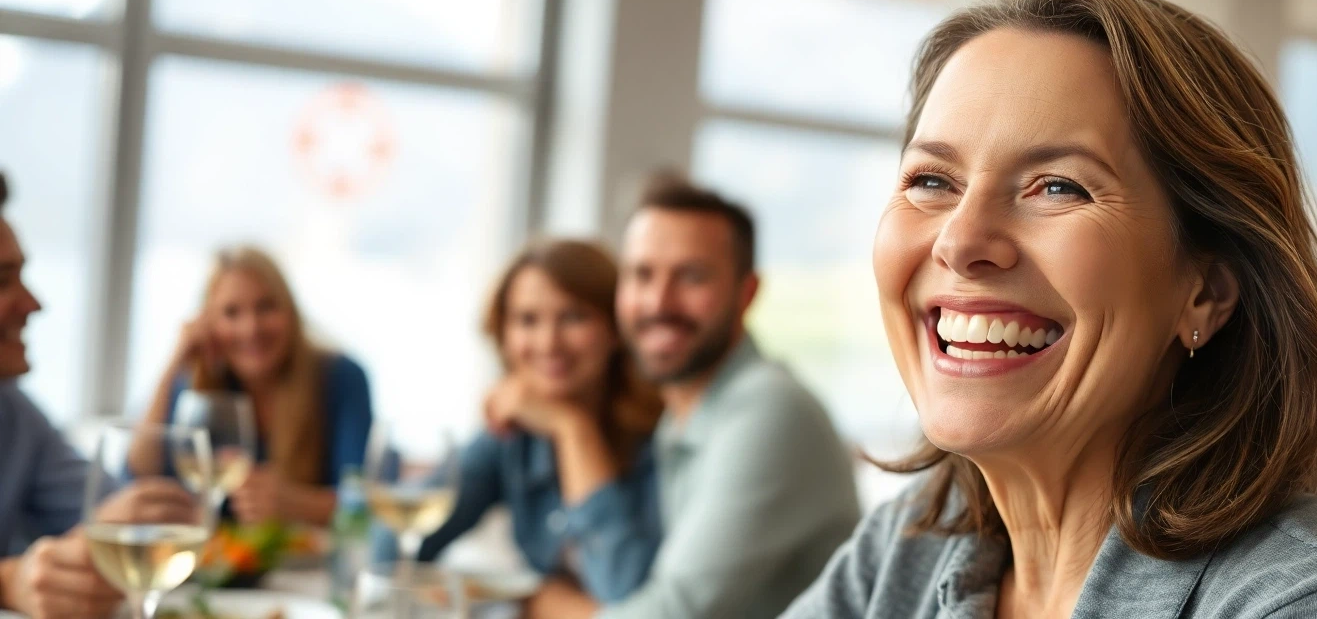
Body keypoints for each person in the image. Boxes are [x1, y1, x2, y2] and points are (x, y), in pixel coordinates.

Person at [782, 0, 1317, 617]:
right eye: (932, 179)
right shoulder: (906, 552)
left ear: (1206, 293)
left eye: (1059, 187)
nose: (960, 241)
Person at [523, 175, 861, 619]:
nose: (659, 302)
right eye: (641, 275)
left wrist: (537, 603)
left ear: (747, 293)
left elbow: (672, 612)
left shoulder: (770, 411)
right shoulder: (685, 413)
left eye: (692, 276)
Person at [380, 240, 664, 603]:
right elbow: (393, 544)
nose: (548, 343)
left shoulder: (661, 441)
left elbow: (628, 595)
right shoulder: (513, 436)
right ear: (504, 336)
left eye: (574, 317)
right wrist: (533, 599)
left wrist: (573, 429)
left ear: (615, 329)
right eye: (527, 320)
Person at [128, 246, 373, 526]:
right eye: (232, 313)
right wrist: (175, 361)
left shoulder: (341, 377)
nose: (251, 329)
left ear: (290, 311)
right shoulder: (197, 384)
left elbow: (362, 501)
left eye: (266, 307)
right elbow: (138, 472)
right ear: (210, 322)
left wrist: (294, 503)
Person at [0, 171, 122, 618]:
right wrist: (8, 581)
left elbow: (108, 508)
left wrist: (133, 515)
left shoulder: (14, 414)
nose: (33, 304)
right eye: (2, 281)